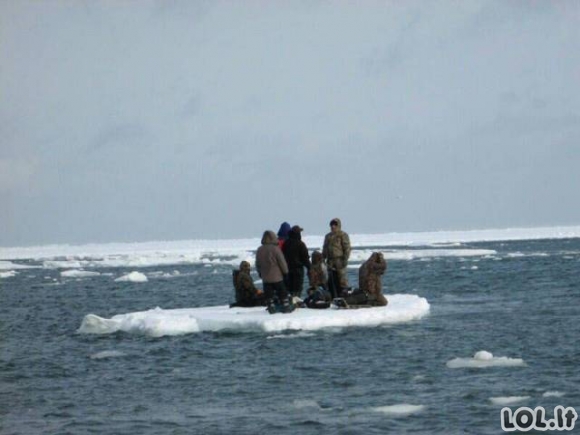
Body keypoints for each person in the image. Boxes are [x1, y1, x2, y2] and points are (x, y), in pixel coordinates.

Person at [255, 230, 293, 314]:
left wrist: (260, 273)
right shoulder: (275, 249)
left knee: (269, 294)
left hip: (265, 277)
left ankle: (271, 306)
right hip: (277, 276)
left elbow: (257, 263)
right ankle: (286, 306)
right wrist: (286, 272)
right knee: (282, 292)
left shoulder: (260, 250)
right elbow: (281, 262)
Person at [322, 218, 351, 298]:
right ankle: (332, 295)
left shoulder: (343, 235)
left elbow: (347, 248)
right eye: (332, 225)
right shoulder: (328, 236)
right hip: (330, 261)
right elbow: (325, 248)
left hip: (339, 260)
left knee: (342, 279)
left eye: (335, 224)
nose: (333, 226)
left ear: (338, 225)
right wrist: (323, 258)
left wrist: (345, 259)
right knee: (330, 279)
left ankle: (344, 296)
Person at [282, 225, 311, 299]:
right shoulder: (300, 244)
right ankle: (296, 302)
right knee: (297, 289)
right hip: (298, 270)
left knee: (289, 288)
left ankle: (290, 301)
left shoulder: (286, 243)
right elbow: (305, 258)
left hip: (287, 269)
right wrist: (309, 267)